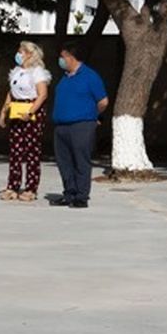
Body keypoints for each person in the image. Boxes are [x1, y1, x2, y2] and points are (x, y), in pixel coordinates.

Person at [49, 42, 109, 209]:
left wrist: (93, 115)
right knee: (64, 162)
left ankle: (81, 196)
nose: (60, 60)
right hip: (62, 126)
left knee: (80, 161)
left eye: (63, 57)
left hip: (82, 125)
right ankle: (69, 193)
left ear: (71, 57)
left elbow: (103, 101)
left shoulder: (90, 76)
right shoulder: (65, 77)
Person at [0, 40, 50, 202]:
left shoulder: (37, 72)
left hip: (31, 109)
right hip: (16, 109)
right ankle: (12, 186)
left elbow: (42, 94)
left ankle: (31, 187)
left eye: (21, 52)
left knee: (32, 150)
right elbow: (11, 92)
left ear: (29, 54)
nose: (19, 54)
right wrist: (4, 111)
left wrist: (31, 111)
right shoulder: (17, 71)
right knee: (16, 150)